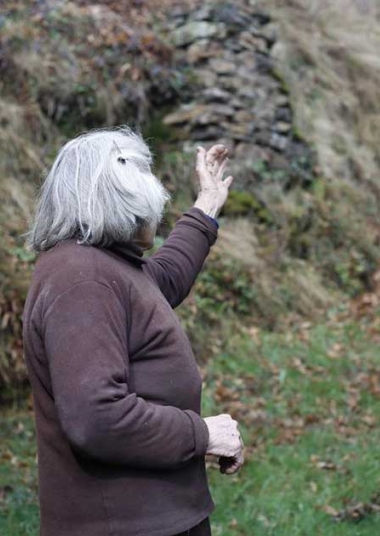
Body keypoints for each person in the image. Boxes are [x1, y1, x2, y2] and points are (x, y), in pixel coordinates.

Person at [22, 128, 244, 536]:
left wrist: (207, 205)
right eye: (148, 209)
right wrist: (201, 433)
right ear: (123, 203)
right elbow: (97, 418)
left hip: (152, 519)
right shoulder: (83, 281)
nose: (154, 219)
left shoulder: (105, 267)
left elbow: (163, 279)